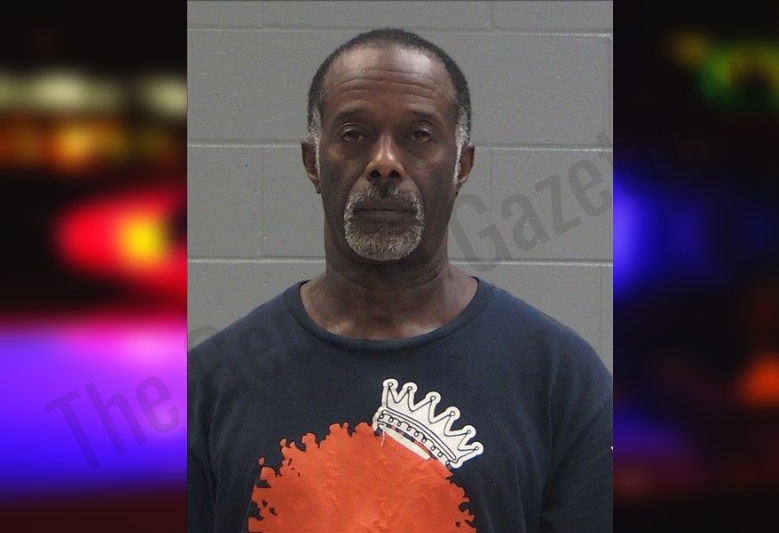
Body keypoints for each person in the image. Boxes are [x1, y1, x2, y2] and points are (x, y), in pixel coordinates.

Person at [188, 28, 612, 533]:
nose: (384, 164)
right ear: (312, 163)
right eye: (354, 135)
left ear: (462, 166)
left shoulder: (560, 379)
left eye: (419, 136)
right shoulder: (212, 383)